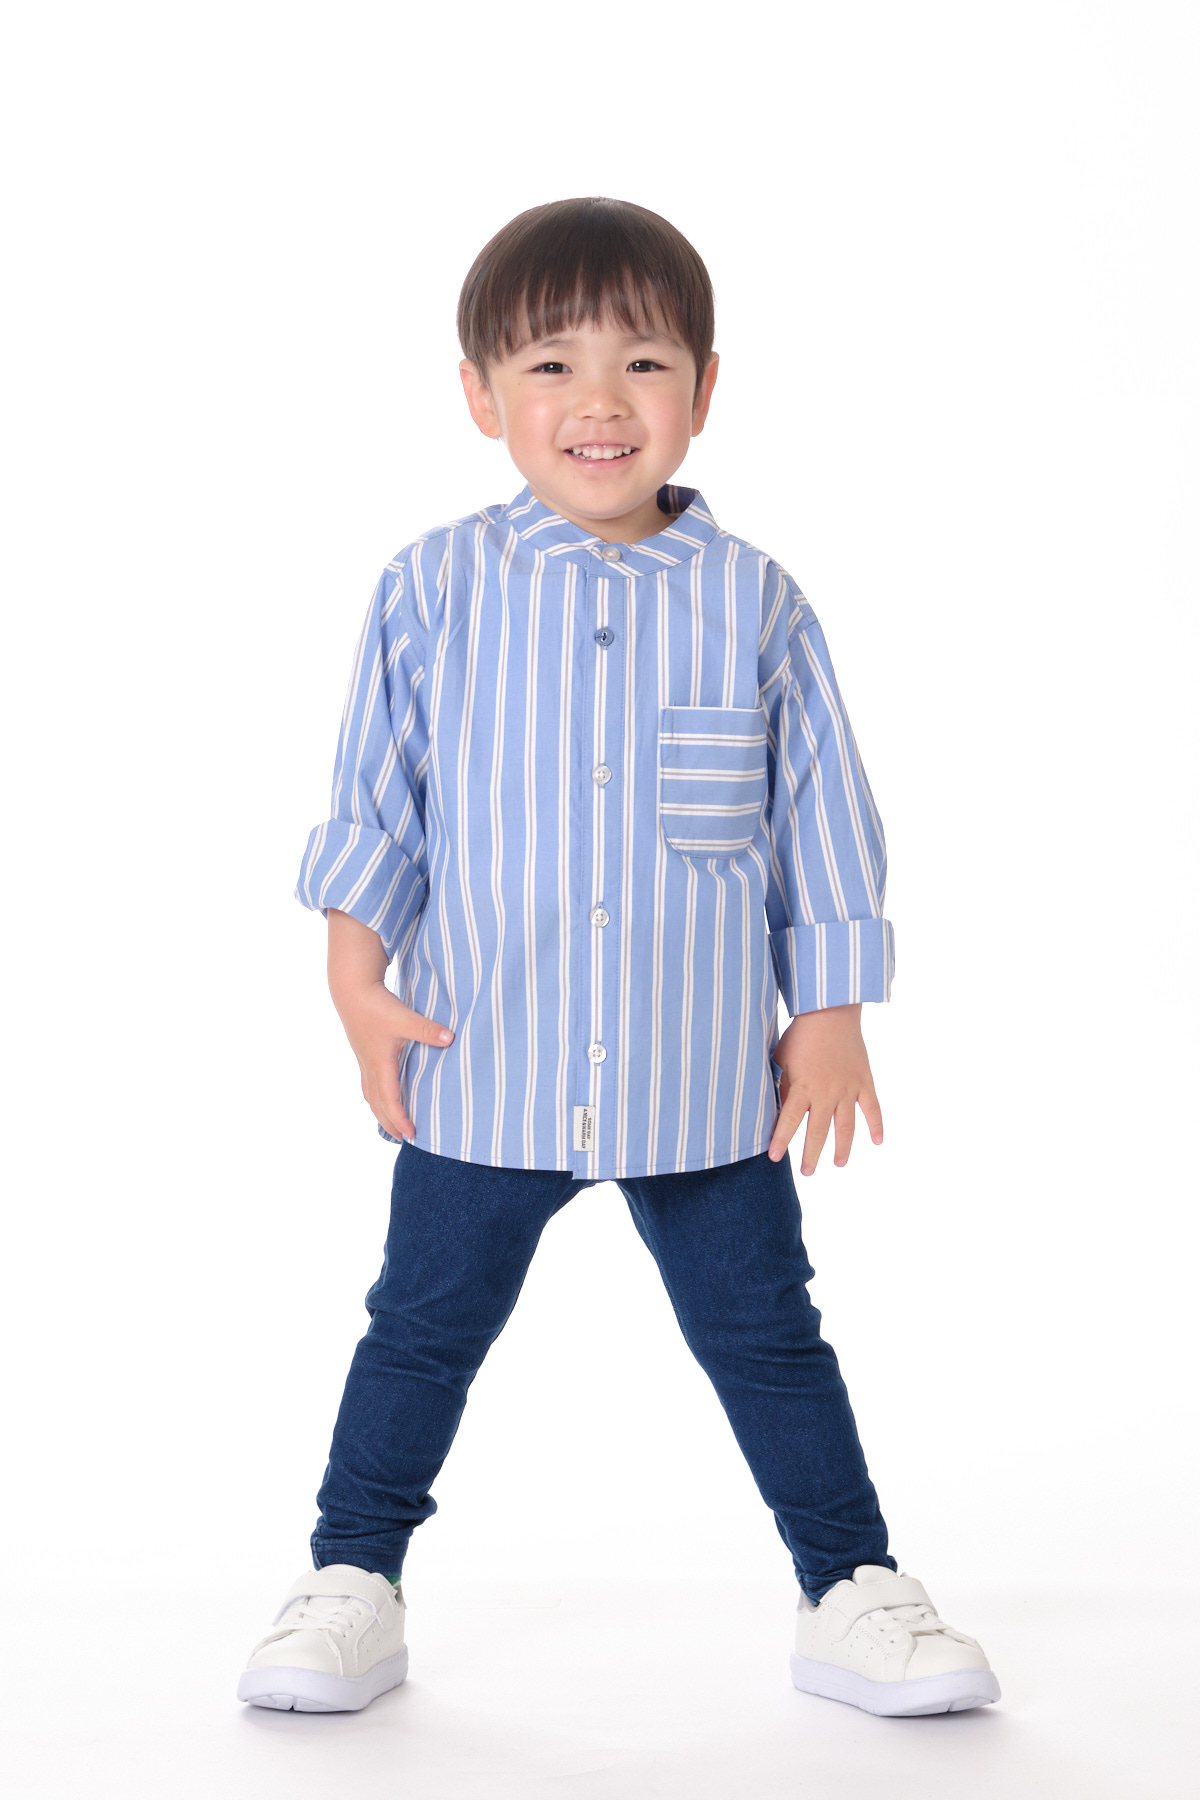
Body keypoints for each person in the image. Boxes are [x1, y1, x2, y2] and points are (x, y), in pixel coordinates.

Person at [237, 197, 1000, 1720]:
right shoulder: (431, 589)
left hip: (702, 1079)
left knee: (769, 1336)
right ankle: (351, 1580)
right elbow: (377, 804)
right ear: (480, 395)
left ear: (704, 390)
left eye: (643, 362)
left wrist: (832, 1011)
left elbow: (821, 813)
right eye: (551, 365)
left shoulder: (756, 602)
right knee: (420, 1331)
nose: (600, 400)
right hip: (482, 1062)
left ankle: (850, 1585)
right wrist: (354, 983)